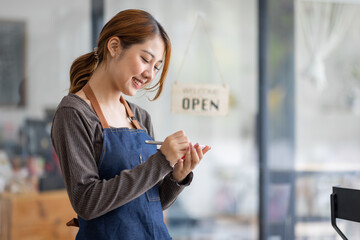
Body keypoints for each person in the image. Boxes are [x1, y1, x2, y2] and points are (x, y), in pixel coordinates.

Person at [51, 9, 211, 240]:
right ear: (114, 46)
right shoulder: (75, 113)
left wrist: (177, 177)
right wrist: (161, 161)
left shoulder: (140, 117)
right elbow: (86, 202)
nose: (150, 75)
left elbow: (150, 203)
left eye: (157, 66)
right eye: (145, 59)